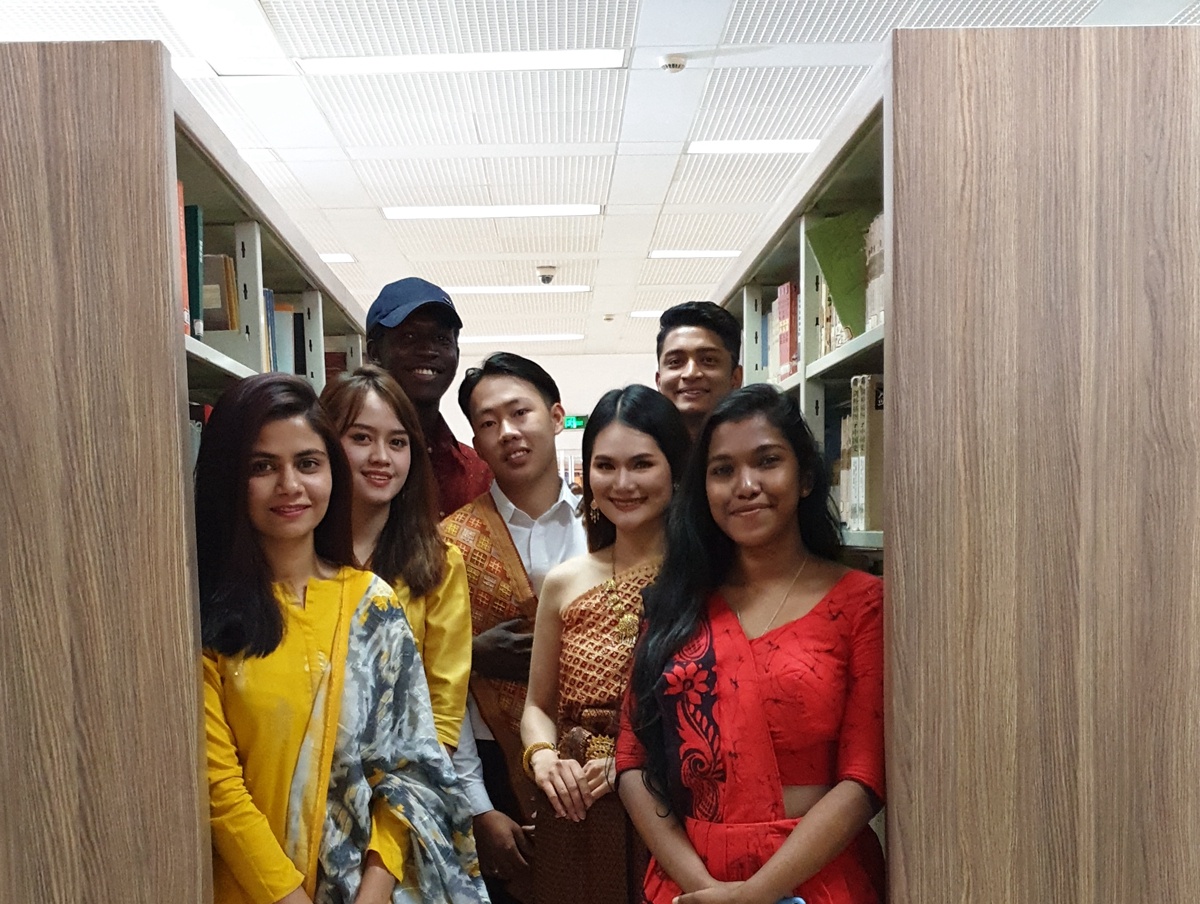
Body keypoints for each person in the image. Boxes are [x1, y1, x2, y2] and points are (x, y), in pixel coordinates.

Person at [197, 373, 486, 904]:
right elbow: (218, 787)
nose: (290, 485)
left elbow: (409, 772)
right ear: (228, 478)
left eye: (308, 463)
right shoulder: (202, 615)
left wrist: (373, 891)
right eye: (262, 466)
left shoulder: (372, 604)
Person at [617, 384, 885, 904]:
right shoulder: (676, 604)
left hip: (816, 879)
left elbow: (865, 777)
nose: (745, 486)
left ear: (805, 477)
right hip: (689, 882)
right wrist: (705, 889)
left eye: (767, 461)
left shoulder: (862, 603)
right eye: (722, 470)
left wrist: (755, 896)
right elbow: (632, 759)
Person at [520, 385, 690, 904]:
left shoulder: (704, 581)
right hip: (579, 809)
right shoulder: (564, 582)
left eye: (642, 464)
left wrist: (631, 764)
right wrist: (542, 758)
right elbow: (537, 706)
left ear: (675, 470)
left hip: (674, 805)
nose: (623, 483)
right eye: (605, 466)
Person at [441, 353, 588, 904]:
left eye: (520, 412)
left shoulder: (610, 525)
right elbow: (446, 690)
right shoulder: (451, 543)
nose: (507, 431)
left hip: (608, 765)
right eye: (487, 422)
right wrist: (478, 807)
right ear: (476, 444)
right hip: (496, 770)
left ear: (556, 417)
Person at [320, 365, 472, 749]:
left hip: (405, 771)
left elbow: (444, 706)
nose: (381, 457)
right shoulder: (298, 553)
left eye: (398, 442)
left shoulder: (439, 563)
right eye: (361, 438)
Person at [366, 276, 492, 517]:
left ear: (456, 354)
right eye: (409, 337)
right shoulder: (342, 465)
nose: (428, 350)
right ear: (374, 352)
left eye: (441, 339)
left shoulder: (478, 474)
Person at [655, 301, 744, 441]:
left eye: (708, 360)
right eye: (675, 362)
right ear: (659, 381)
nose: (691, 373)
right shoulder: (638, 448)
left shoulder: (757, 445)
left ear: (736, 377)